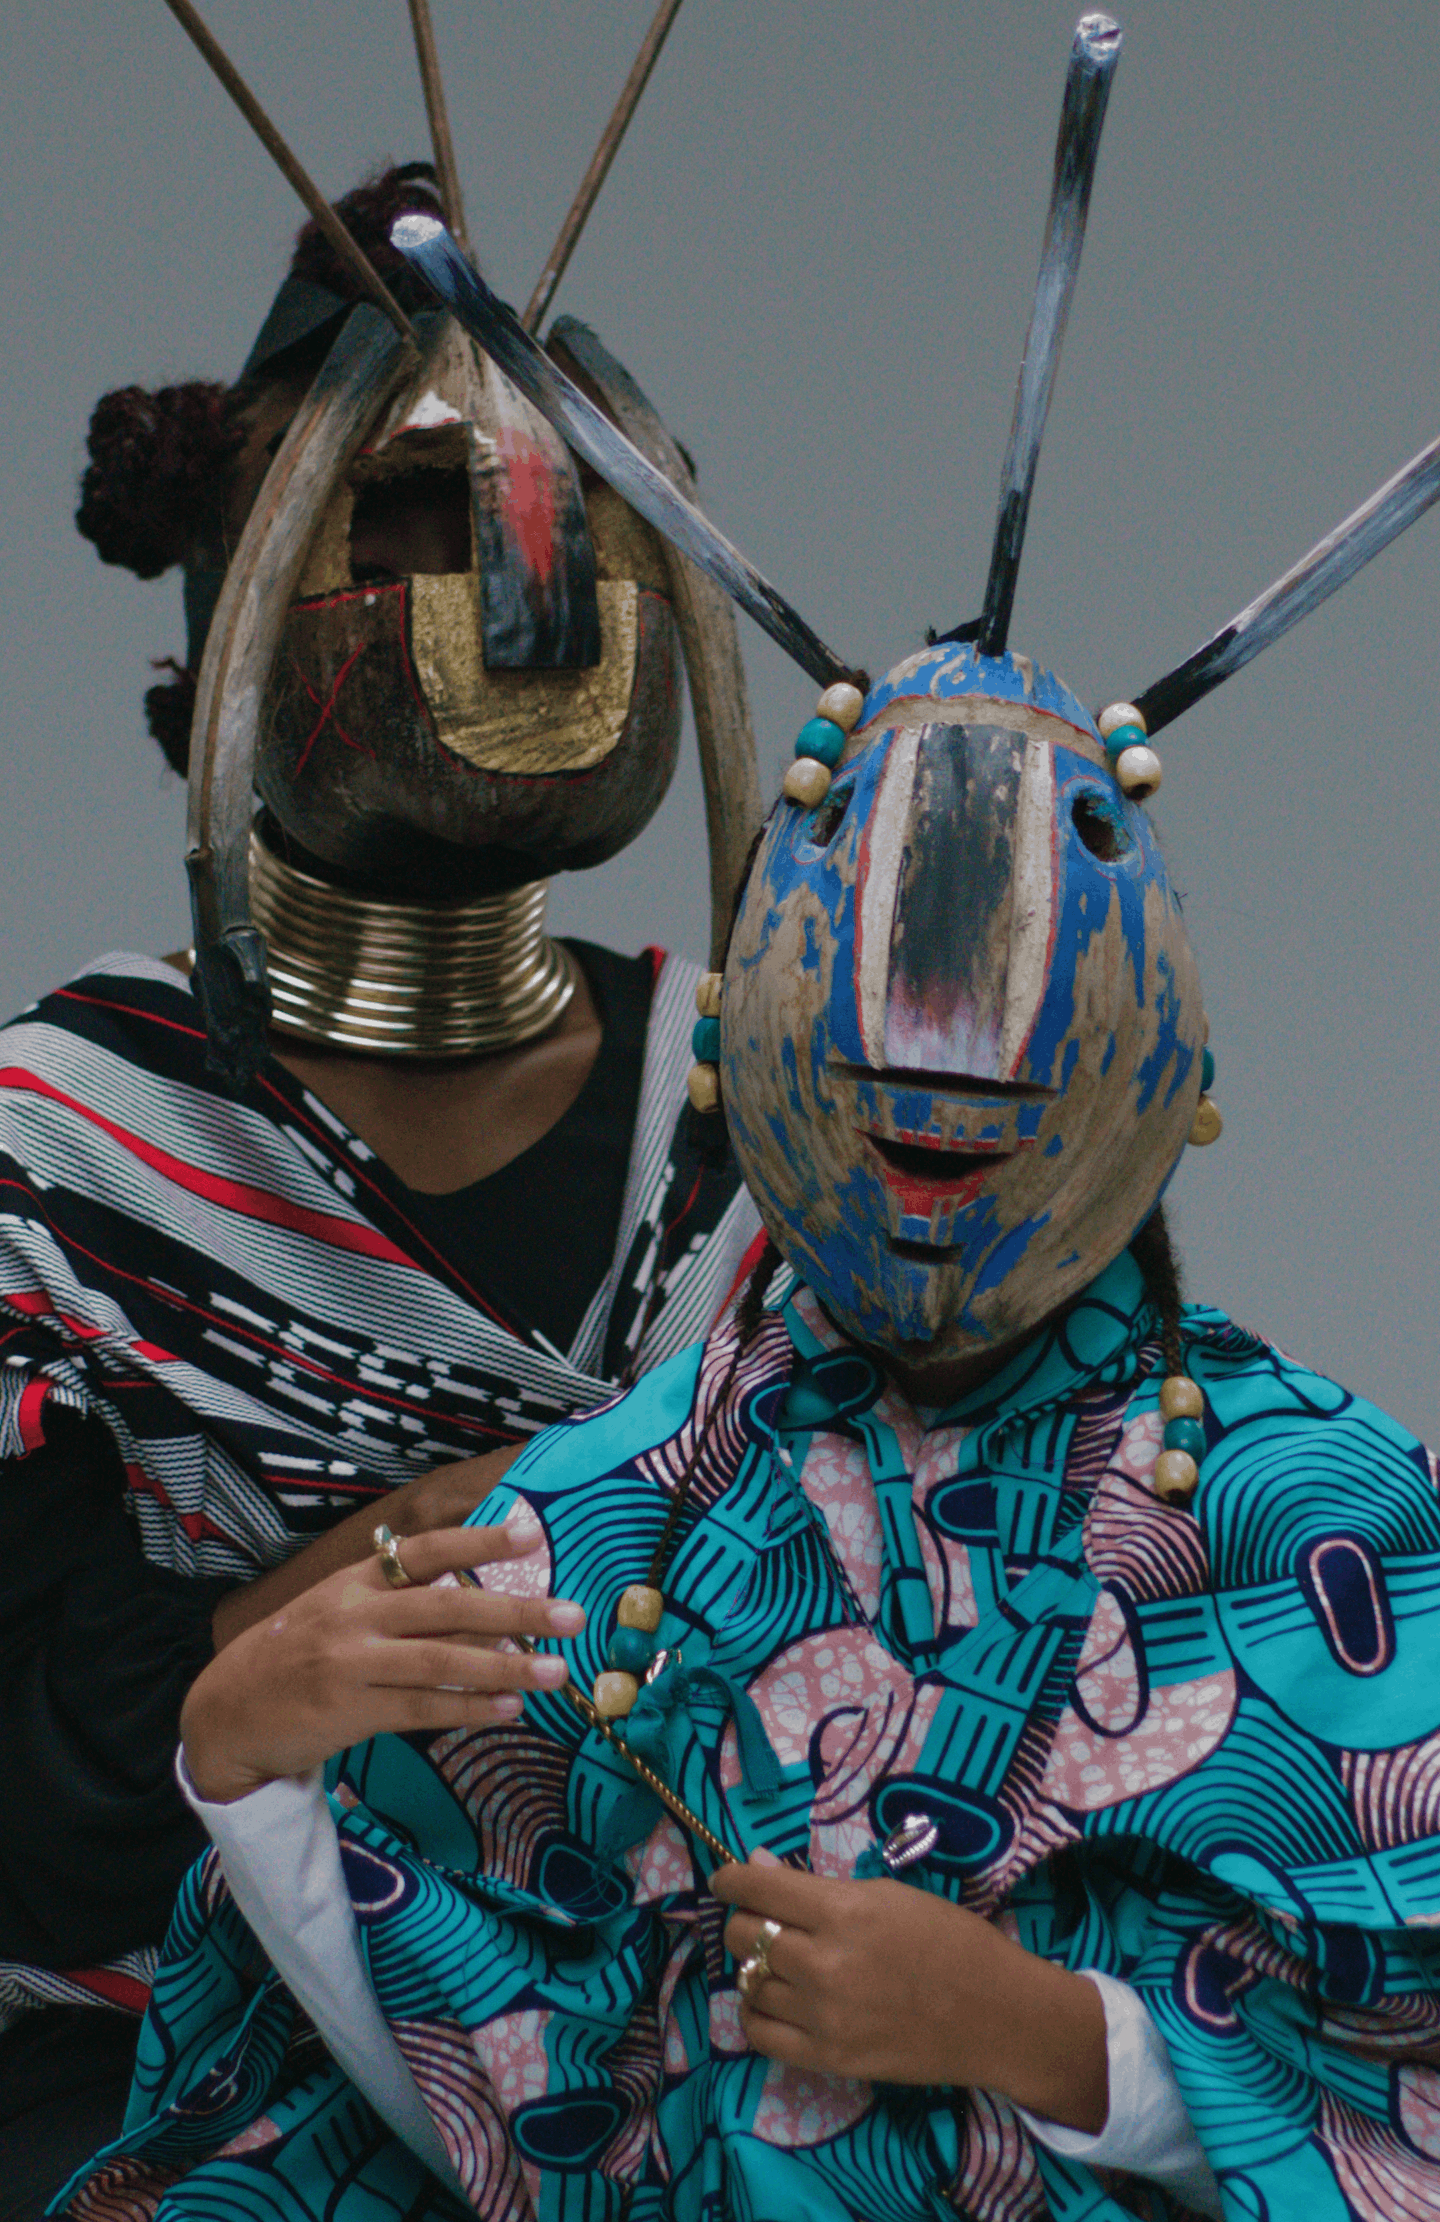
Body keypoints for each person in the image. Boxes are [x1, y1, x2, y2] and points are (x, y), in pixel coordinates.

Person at [57, 620, 1440, 2220]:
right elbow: (499, 2109)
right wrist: (250, 1776)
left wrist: (1047, 2035)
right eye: (870, 1081)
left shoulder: (1321, 1512)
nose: (933, 1162)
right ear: (740, 1058)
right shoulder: (612, 1517)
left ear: (1165, 1076)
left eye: (1003, 1111)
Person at [0, 163, 761, 2211]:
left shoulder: (778, 1102)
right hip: (166, 2067)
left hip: (709, 2062)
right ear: (243, 596)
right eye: (411, 518)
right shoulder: (57, 1145)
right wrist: (282, 1647)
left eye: (584, 518)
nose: (523, 581)